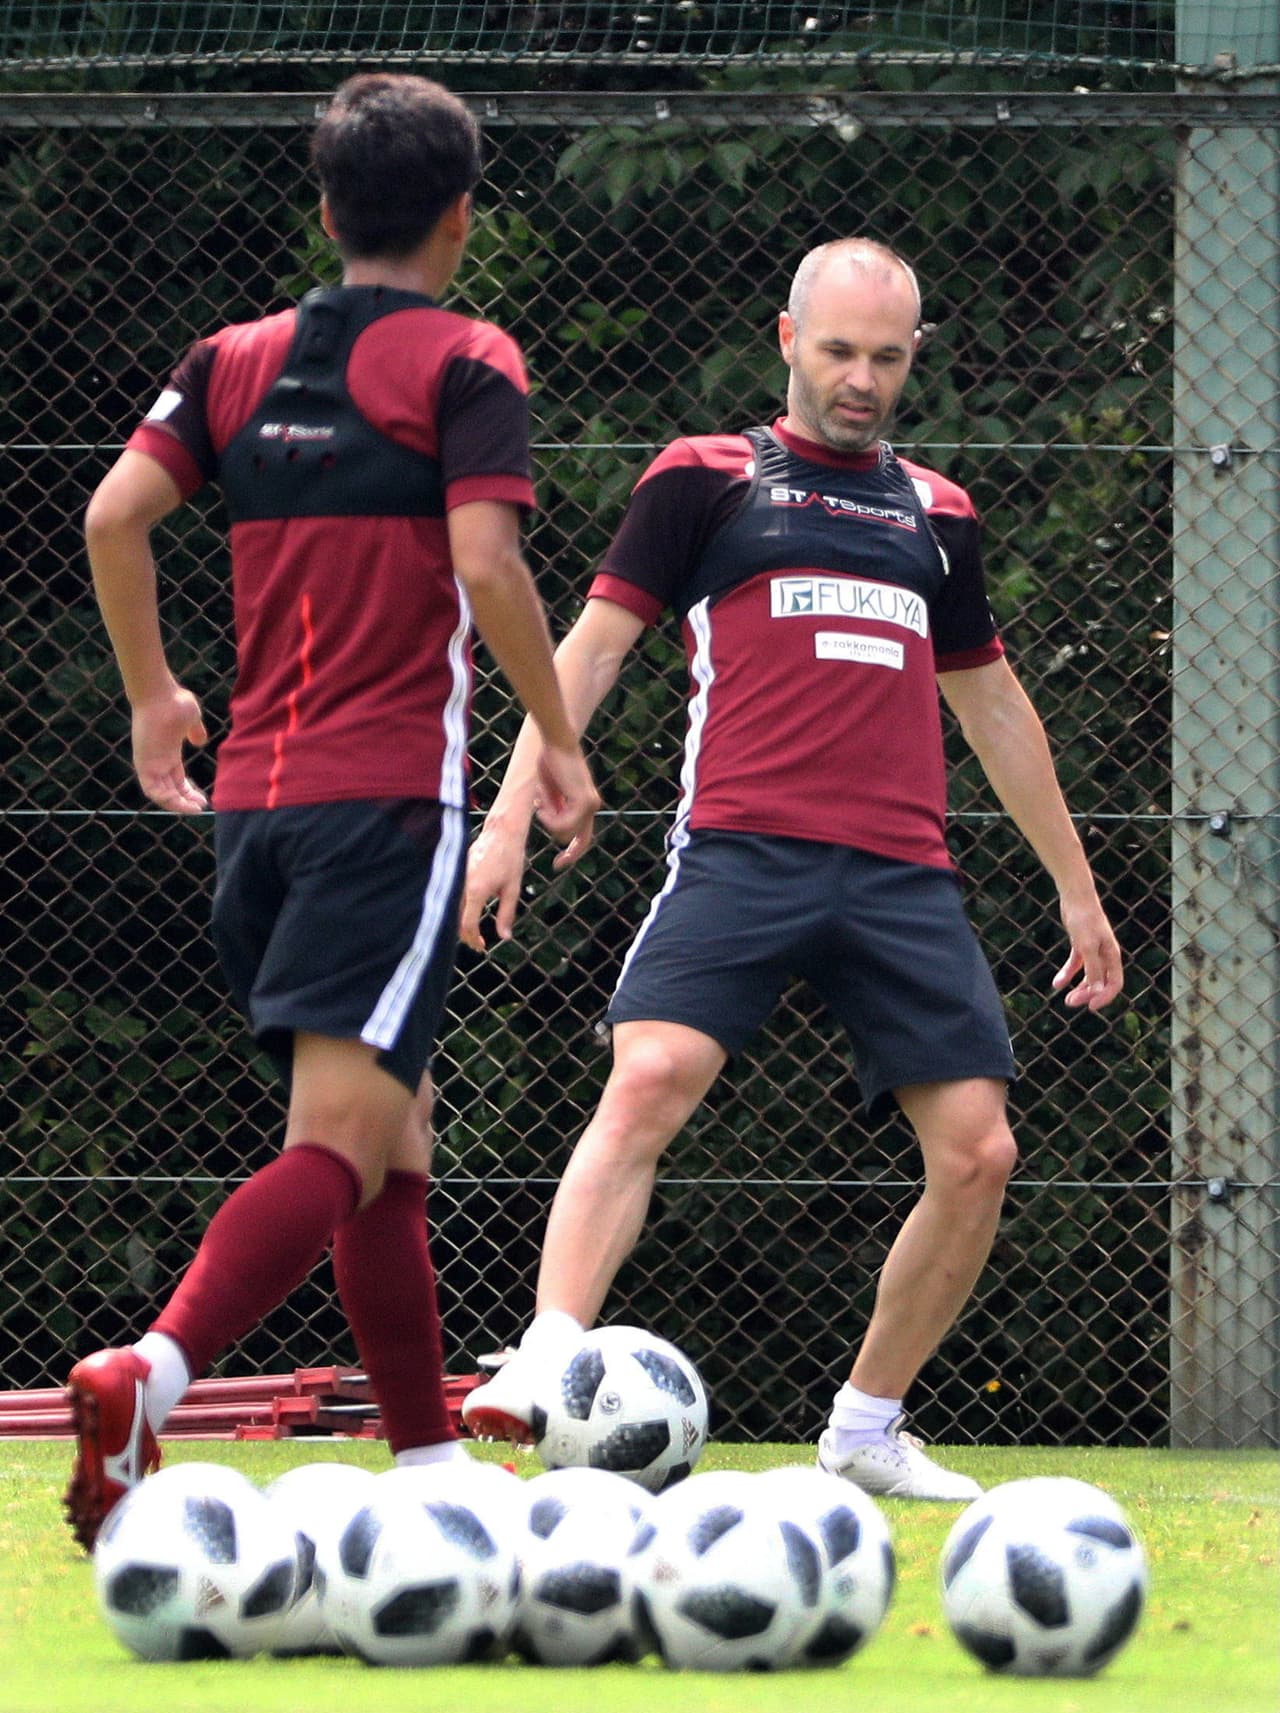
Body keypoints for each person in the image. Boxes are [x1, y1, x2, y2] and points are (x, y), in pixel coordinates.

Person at [458, 237, 1123, 1500]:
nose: (860, 378)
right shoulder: (703, 479)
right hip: (739, 851)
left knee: (978, 1152)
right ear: (785, 340)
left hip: (899, 877)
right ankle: (548, 1361)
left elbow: (991, 709)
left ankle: (866, 1430)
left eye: (884, 356)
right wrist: (505, 817)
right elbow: (592, 650)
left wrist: (1075, 890)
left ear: (910, 356)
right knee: (648, 1073)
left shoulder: (937, 512)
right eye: (837, 351)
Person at [63, 72, 599, 1552]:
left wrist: (153, 695)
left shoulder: (230, 357)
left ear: (324, 210)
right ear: (460, 218)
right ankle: (148, 1375)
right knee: (343, 1139)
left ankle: (426, 1466)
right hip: (386, 807)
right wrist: (555, 740)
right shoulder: (468, 358)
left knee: (393, 1136)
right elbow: (489, 566)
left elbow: (115, 515)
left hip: (258, 811)